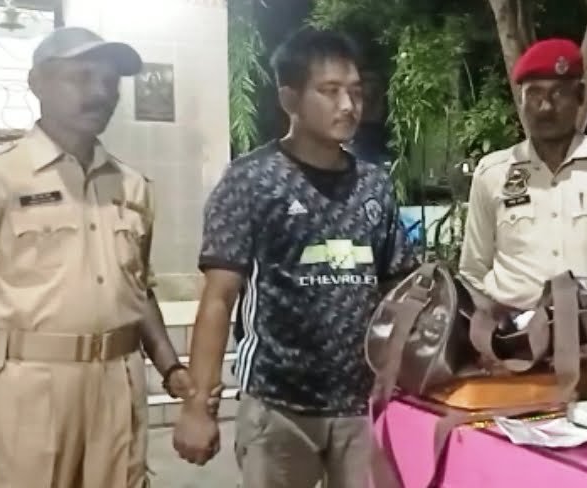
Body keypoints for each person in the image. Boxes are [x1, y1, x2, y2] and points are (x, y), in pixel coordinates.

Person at [0, 26, 216, 488]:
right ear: (37, 83)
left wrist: (170, 367)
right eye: (81, 77)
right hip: (30, 389)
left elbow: (137, 290)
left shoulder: (132, 186)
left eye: (110, 81)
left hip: (118, 385)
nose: (100, 92)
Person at [172, 27, 418, 488]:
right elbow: (219, 298)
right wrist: (198, 404)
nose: (348, 105)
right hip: (279, 405)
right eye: (330, 91)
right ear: (290, 98)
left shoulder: (375, 185)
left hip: (361, 405)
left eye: (355, 92)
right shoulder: (251, 180)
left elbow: (397, 287)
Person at [458, 38, 587, 395]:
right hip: (517, 359)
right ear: (521, 100)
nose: (545, 106)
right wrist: (491, 341)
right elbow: (472, 272)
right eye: (534, 94)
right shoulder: (492, 173)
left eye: (558, 93)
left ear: (580, 96)